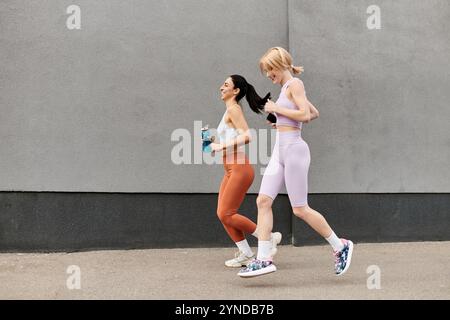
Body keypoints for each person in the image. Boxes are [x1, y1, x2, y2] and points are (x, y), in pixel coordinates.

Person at [238, 47, 353, 278]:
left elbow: (306, 115)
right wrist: (280, 120)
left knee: (300, 209)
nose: (268, 75)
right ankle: (263, 259)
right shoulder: (285, 89)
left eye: (269, 70)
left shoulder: (295, 85)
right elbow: (313, 112)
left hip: (294, 151)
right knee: (262, 201)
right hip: (279, 151)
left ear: (279, 65)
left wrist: (277, 109)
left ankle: (340, 245)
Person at [210, 75, 282, 268]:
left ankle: (268, 237)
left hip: (240, 169)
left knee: (226, 213)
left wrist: (220, 145)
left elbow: (248, 136)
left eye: (226, 85)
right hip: (231, 168)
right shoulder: (229, 110)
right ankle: (246, 253)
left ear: (236, 91)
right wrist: (214, 145)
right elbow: (230, 140)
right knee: (222, 213)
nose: (221, 87)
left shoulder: (233, 109)